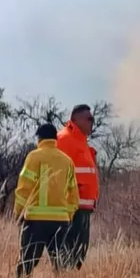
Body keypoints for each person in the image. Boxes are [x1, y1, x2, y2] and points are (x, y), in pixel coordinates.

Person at [13, 123, 79, 278]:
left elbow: (23, 188)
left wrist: (18, 212)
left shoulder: (34, 156)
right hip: (60, 221)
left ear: (39, 138)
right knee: (60, 265)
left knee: (26, 263)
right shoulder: (67, 161)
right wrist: (68, 215)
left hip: (36, 220)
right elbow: (74, 195)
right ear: (55, 138)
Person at [56, 104, 100, 269]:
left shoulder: (81, 142)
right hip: (70, 207)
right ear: (77, 119)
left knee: (79, 254)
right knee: (67, 252)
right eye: (89, 119)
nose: (92, 122)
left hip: (84, 208)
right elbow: (56, 173)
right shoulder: (64, 139)